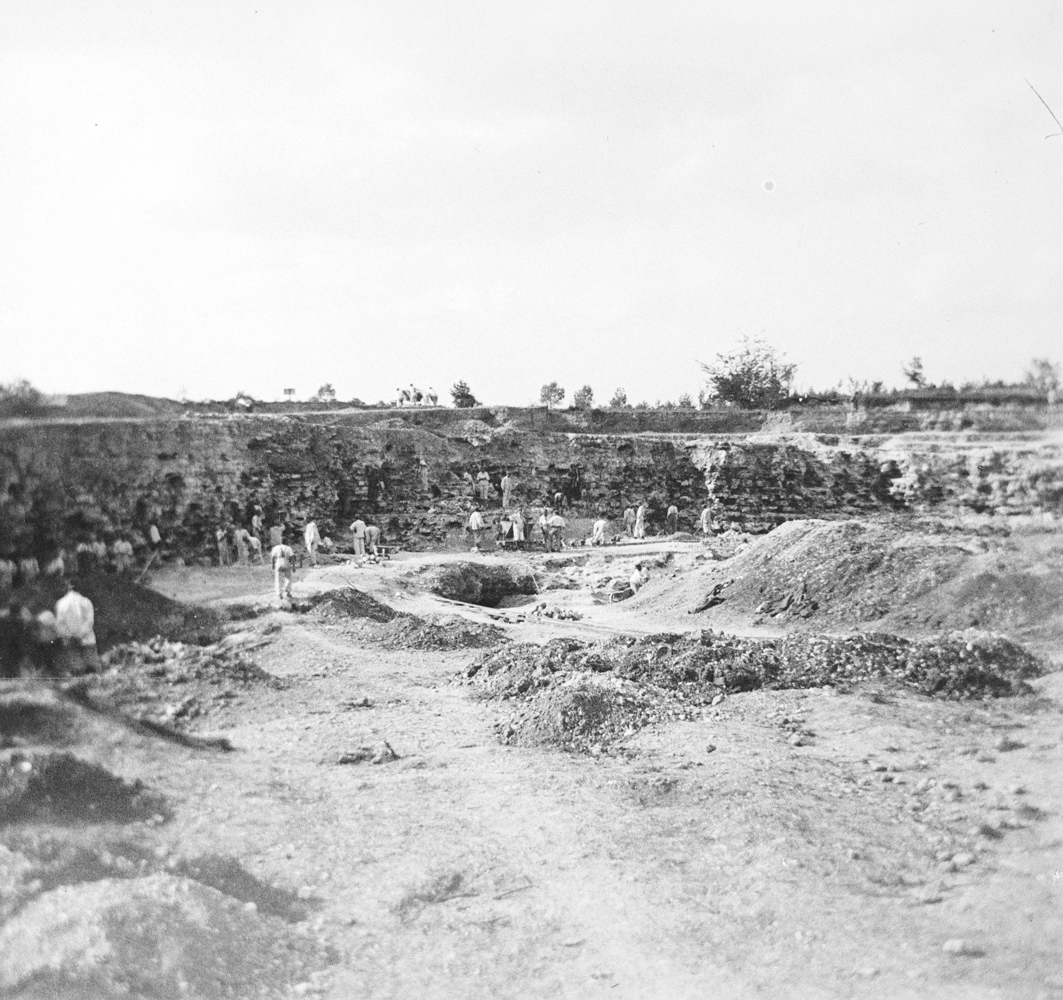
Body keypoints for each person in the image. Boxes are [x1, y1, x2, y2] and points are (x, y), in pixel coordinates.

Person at [55, 582, 100, 674]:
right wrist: (80, 635)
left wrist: (70, 635)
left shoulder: (60, 603)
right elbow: (89, 622)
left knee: (78, 671)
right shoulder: (86, 601)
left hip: (70, 641)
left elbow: (60, 624)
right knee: (93, 669)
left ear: (68, 588)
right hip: (87, 640)